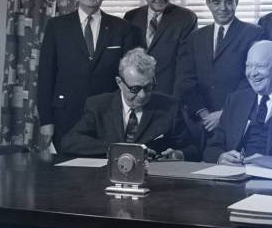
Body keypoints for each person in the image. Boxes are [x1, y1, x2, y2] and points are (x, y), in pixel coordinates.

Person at [38, 0, 136, 150]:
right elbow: (45, 77)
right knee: (64, 174)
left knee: (103, 172)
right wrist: (46, 121)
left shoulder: (121, 28)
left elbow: (129, 78)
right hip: (65, 116)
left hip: (107, 116)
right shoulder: (57, 26)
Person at [61, 48, 196, 160]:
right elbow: (70, 142)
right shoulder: (98, 105)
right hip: (105, 179)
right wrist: (120, 150)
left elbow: (193, 147)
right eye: (135, 89)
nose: (143, 95)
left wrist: (178, 155)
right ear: (120, 83)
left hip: (154, 180)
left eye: (148, 87)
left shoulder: (169, 107)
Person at [178, 0, 264, 136]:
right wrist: (204, 113)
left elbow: (251, 80)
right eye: (216, 2)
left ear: (237, 1)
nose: (223, 8)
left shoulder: (253, 33)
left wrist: (225, 113)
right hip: (200, 124)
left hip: (237, 122)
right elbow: (187, 81)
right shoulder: (195, 38)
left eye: (229, 2)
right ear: (208, 3)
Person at [123, 0, 197, 96]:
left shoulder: (186, 18)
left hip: (168, 95)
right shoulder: (131, 17)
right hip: (135, 95)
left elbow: (185, 68)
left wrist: (174, 102)